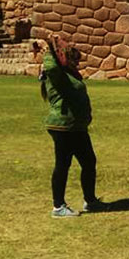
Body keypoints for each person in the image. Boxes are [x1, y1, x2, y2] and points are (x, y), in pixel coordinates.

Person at [38, 36, 105, 217]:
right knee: (63, 165)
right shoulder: (56, 74)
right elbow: (51, 65)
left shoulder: (67, 73)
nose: (76, 63)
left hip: (76, 127)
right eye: (73, 59)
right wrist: (47, 49)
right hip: (63, 127)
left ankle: (89, 200)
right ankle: (58, 206)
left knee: (89, 162)